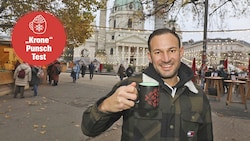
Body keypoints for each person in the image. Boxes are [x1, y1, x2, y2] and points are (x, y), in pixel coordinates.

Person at [81, 28, 213, 140]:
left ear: (181, 52)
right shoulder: (130, 87)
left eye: (171, 50)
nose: (166, 59)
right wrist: (106, 106)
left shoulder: (199, 96)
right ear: (149, 56)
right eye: (158, 52)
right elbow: (89, 129)